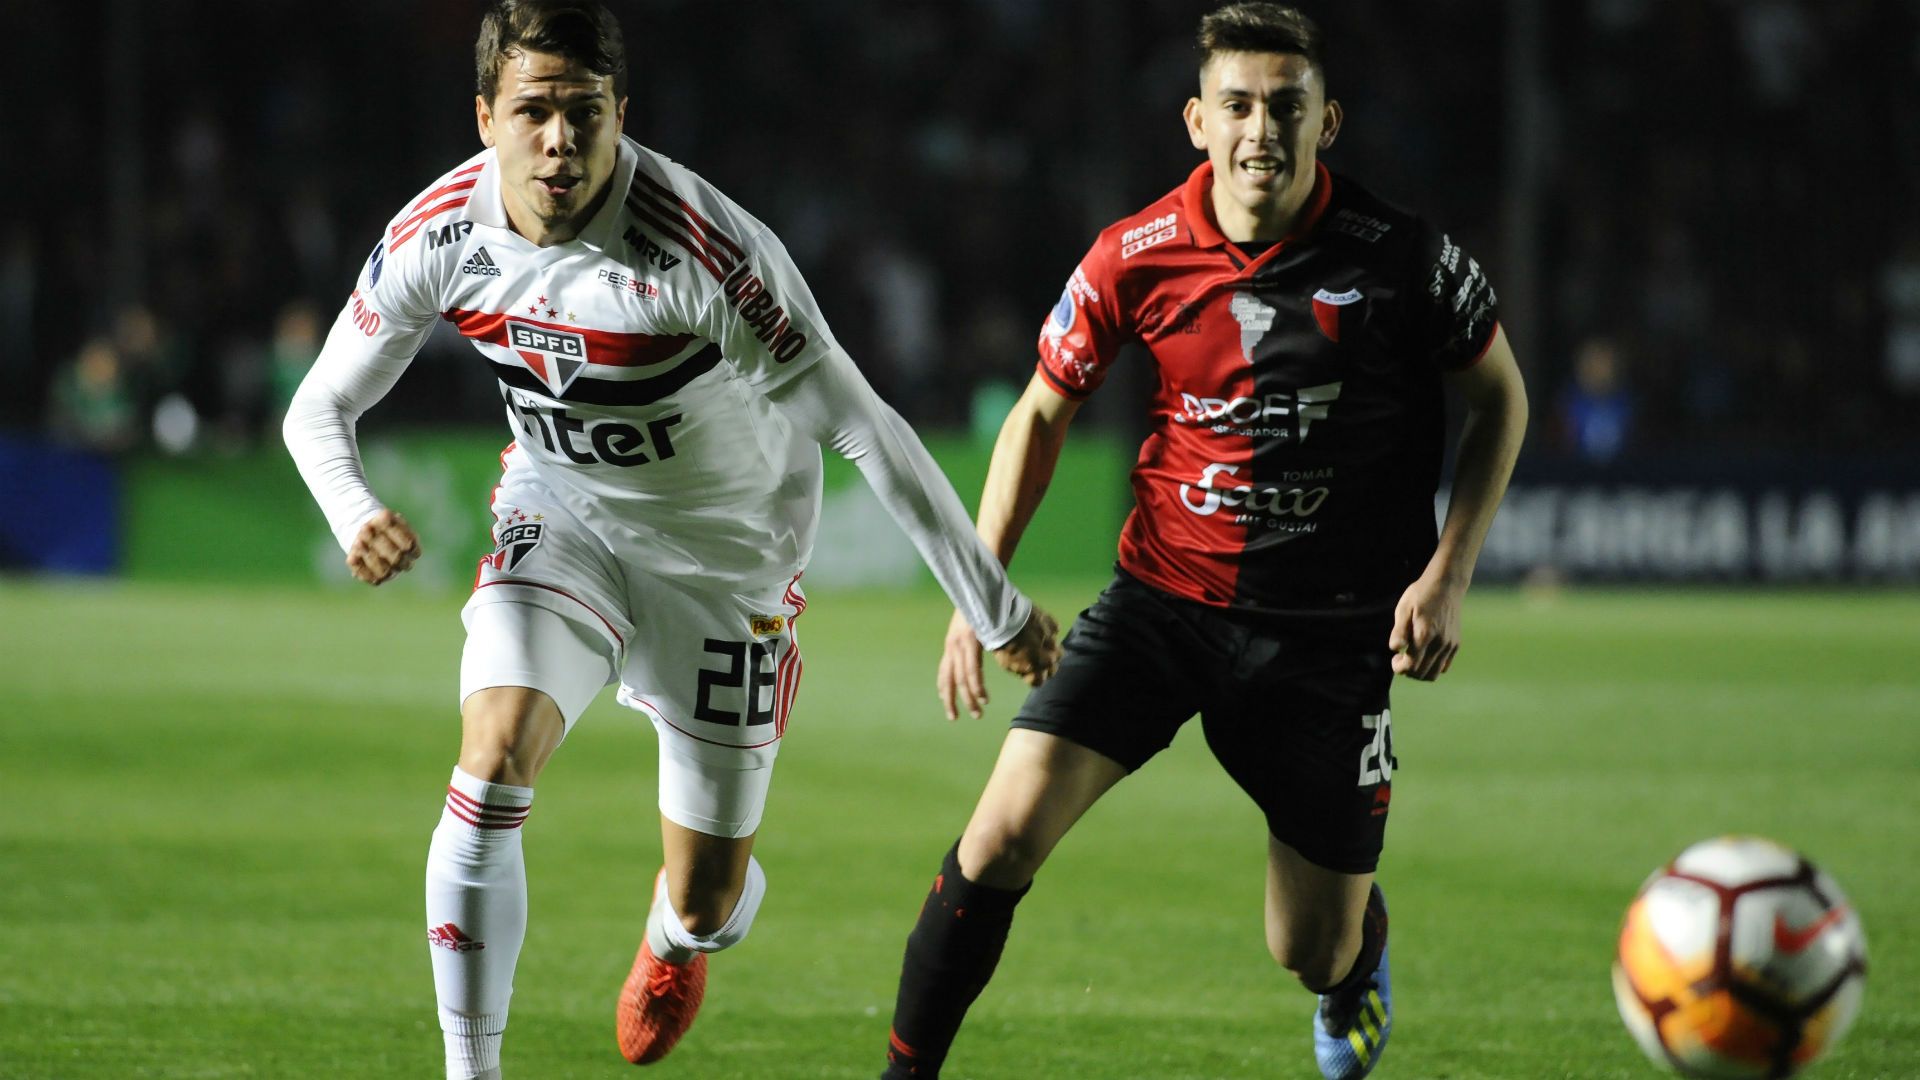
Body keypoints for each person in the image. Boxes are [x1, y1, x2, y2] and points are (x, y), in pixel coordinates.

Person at [281, 3, 1060, 1076]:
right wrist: (352, 508)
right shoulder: (440, 235)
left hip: (728, 561)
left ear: (621, 112)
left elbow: (865, 430)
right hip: (564, 516)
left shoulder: (705, 251)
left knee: (708, 897)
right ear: (485, 118)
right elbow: (317, 409)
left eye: (584, 111)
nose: (560, 140)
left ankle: (677, 938)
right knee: (490, 763)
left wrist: (993, 607)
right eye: (534, 111)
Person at [876, 5, 1528, 1078]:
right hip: (1162, 608)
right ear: (1197, 121)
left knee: (1308, 948)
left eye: (1286, 106)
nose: (1261, 129)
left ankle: (1357, 958)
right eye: (1238, 106)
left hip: (1328, 640)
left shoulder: (1403, 257)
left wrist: (1448, 575)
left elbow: (1502, 400)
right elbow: (1039, 414)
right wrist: (975, 589)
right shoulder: (1133, 254)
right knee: (999, 837)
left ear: (1327, 121)